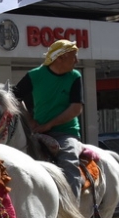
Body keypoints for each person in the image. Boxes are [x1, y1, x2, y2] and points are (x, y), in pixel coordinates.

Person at [12, 39, 84, 200]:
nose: (77, 61)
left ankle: (73, 214)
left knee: (69, 164)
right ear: (60, 58)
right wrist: (29, 121)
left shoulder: (74, 77)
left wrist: (48, 125)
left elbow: (76, 108)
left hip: (66, 133)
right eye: (74, 56)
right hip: (37, 132)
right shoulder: (34, 75)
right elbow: (14, 98)